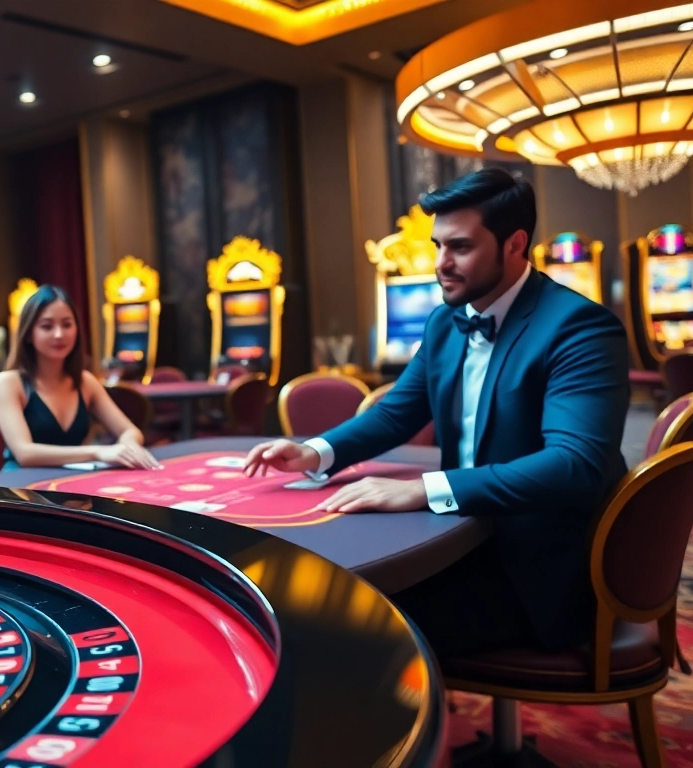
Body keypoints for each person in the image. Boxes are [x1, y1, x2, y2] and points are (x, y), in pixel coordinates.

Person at [243, 168, 629, 658]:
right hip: (460, 538)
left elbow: (574, 465)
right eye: (438, 245)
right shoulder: (446, 321)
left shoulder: (580, 328)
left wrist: (423, 489)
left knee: (339, 621)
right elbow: (397, 413)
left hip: (534, 573)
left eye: (460, 247)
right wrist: (315, 451)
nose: (441, 264)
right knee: (312, 594)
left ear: (515, 244)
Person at [0, 284, 162, 471]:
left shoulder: (85, 382)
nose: (59, 334)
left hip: (71, 479)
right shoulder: (7, 383)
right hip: (20, 483)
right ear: (28, 334)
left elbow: (130, 430)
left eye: (67, 325)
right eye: (47, 326)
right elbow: (25, 454)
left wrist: (128, 446)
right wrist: (98, 452)